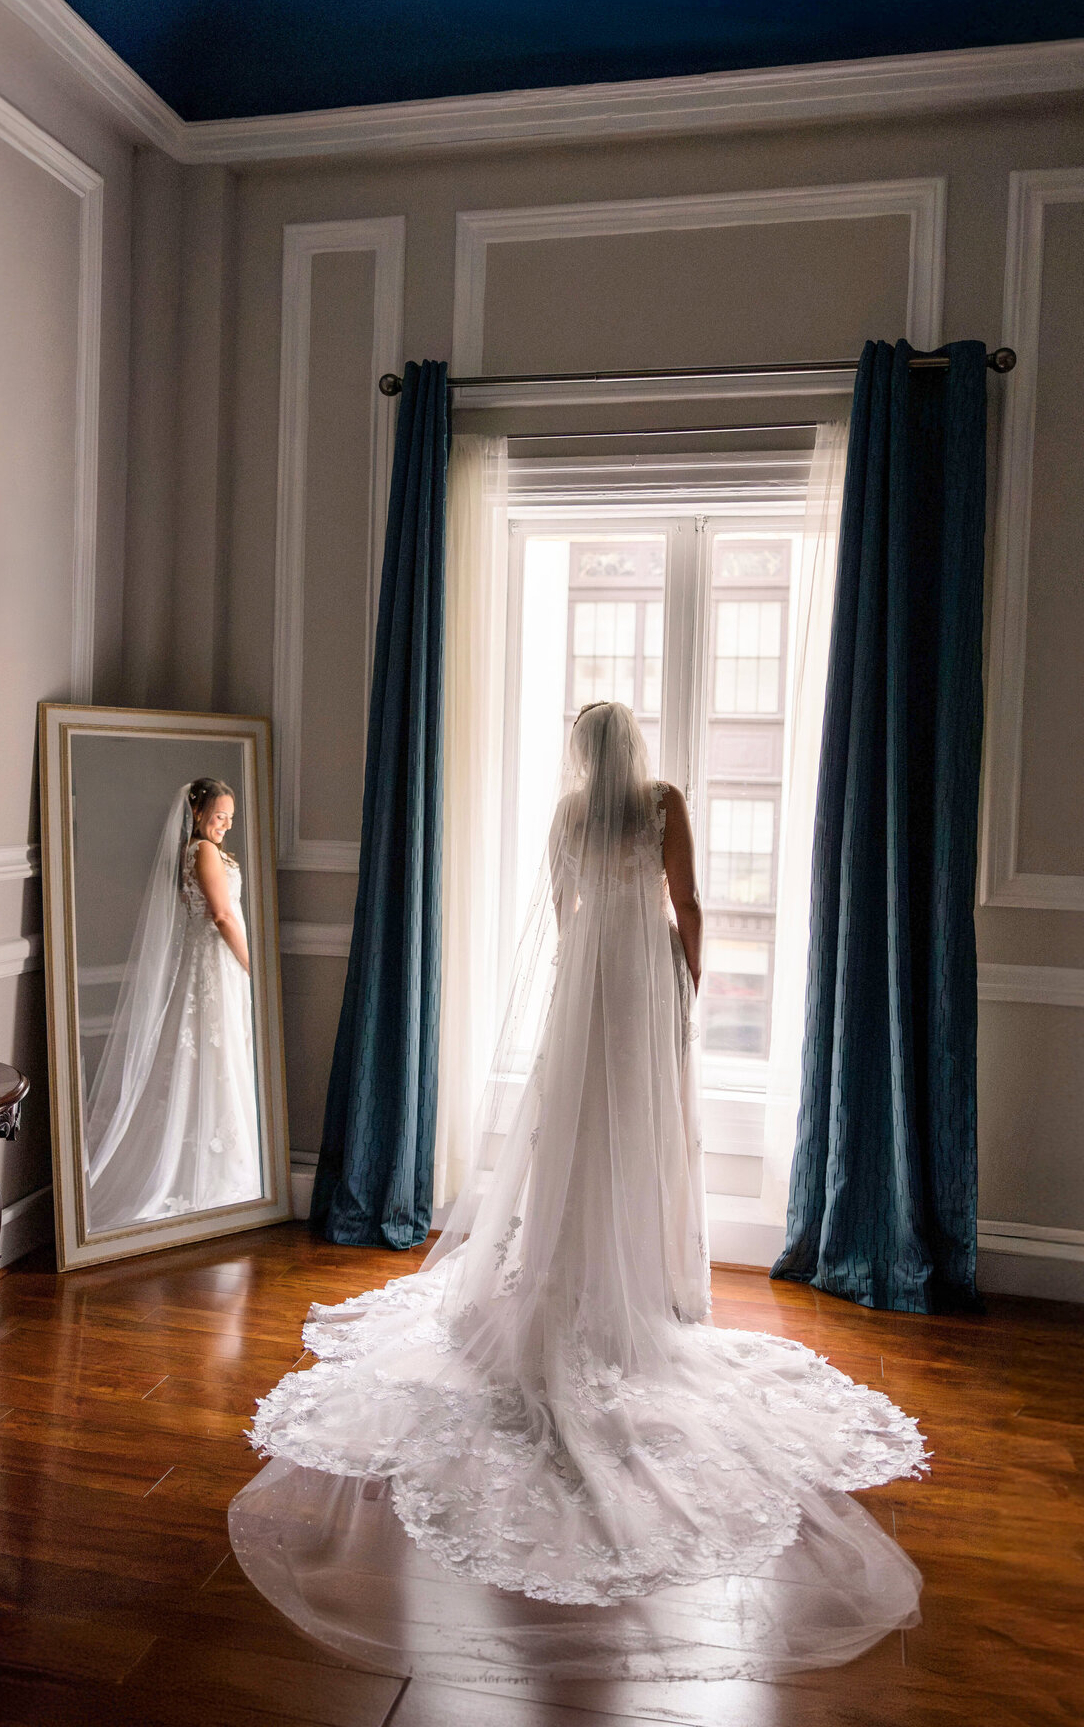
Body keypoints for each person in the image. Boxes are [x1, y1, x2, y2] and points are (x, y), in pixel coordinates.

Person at [229, 703, 925, 1688]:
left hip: (591, 974)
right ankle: (642, 1284)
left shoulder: (569, 818)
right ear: (634, 751)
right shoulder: (663, 801)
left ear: (579, 757)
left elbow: (563, 917)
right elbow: (687, 905)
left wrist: (594, 972)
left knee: (579, 1137)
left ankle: (573, 1272)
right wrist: (683, 985)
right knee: (638, 1138)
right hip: (640, 973)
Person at [86, 777, 260, 1230]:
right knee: (212, 1052)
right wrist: (252, 966)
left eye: (230, 818)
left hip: (213, 964)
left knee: (209, 1053)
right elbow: (220, 914)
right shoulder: (200, 851)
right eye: (219, 816)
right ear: (197, 813)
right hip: (215, 963)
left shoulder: (201, 851)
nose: (225, 825)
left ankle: (204, 1166)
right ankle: (207, 1176)